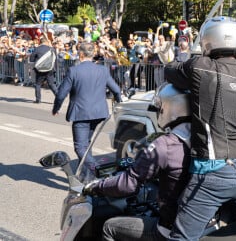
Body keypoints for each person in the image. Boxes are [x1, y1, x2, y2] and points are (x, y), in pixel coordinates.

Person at [164, 17, 236, 240]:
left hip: (214, 170)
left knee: (181, 236)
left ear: (209, 41)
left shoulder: (202, 67)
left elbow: (170, 71)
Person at [83, 84, 192, 240]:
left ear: (171, 108)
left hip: (170, 229)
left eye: (160, 107)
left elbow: (128, 185)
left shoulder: (165, 144)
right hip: (201, 222)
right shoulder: (205, 140)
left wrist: (96, 186)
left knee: (109, 227)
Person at [52, 42, 123, 178]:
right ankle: (84, 175)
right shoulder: (102, 70)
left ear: (81, 54)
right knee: (86, 144)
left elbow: (61, 93)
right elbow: (116, 90)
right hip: (99, 113)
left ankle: (100, 171)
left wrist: (56, 108)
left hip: (81, 113)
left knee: (80, 147)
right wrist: (119, 102)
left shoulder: (74, 70)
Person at [29, 35, 58, 104]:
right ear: (47, 42)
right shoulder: (52, 49)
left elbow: (31, 59)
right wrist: (55, 69)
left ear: (40, 42)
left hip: (40, 69)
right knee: (52, 84)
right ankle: (59, 97)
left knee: (38, 84)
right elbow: (55, 60)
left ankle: (38, 100)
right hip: (50, 69)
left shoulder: (37, 49)